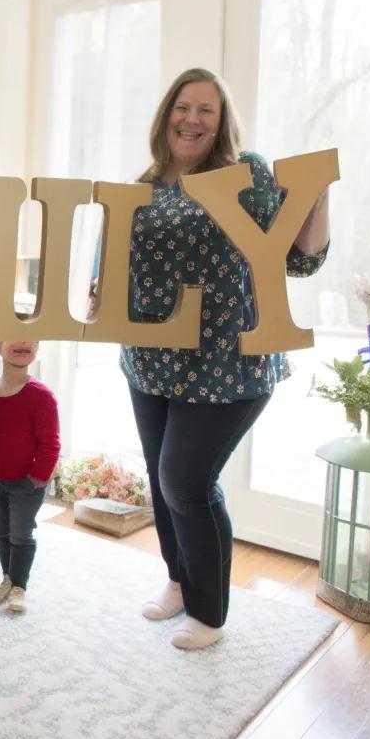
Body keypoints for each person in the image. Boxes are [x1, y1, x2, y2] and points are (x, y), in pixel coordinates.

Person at [119, 66, 330, 651]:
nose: (192, 119)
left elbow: (302, 260)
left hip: (227, 361)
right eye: (183, 107)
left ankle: (209, 615)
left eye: (206, 110)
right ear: (166, 116)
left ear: (221, 122)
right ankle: (178, 581)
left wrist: (318, 195)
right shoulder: (145, 182)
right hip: (150, 357)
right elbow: (122, 261)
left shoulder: (248, 175)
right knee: (162, 481)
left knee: (185, 480)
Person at [0, 339, 60, 614]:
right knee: (2, 533)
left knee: (20, 534)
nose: (23, 342)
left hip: (27, 482)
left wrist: (38, 477)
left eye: (30, 338)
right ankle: (8, 578)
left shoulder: (41, 395)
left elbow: (51, 443)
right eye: (13, 335)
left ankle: (19, 587)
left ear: (38, 347)